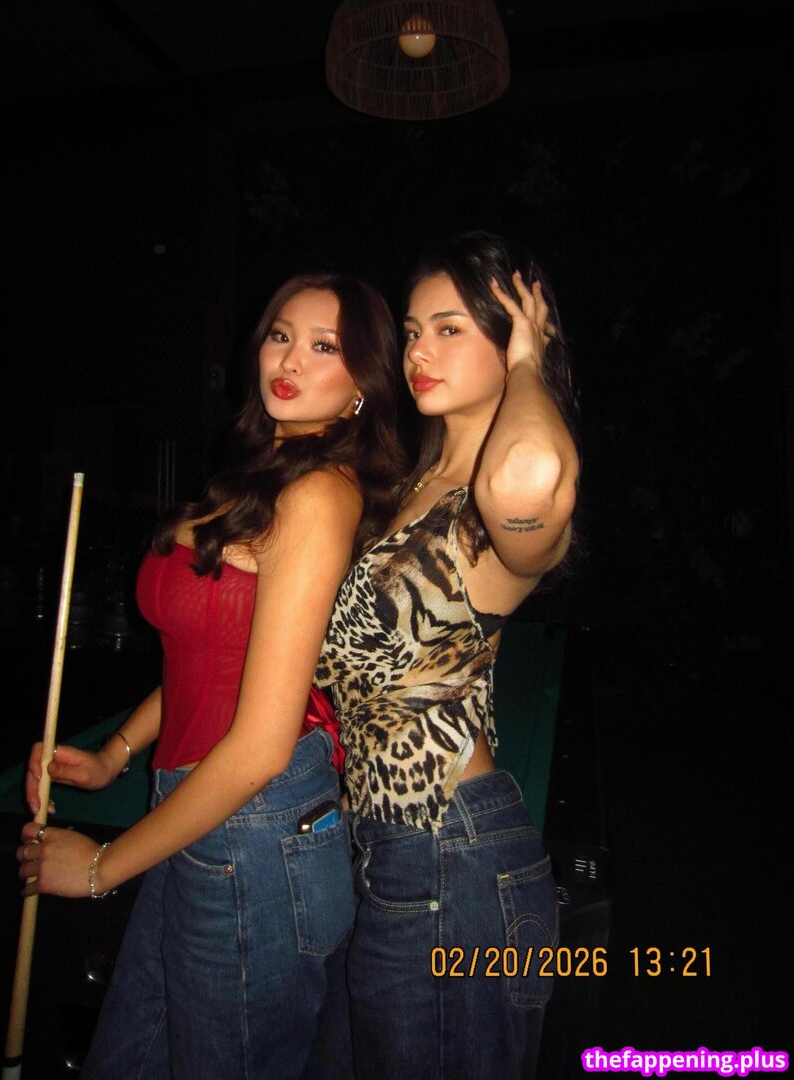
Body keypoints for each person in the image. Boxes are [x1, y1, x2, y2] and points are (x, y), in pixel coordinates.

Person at [17, 272, 406, 1079]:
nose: (288, 359)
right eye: (279, 335)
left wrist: (100, 868)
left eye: (324, 346)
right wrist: (116, 753)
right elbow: (212, 657)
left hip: (256, 828)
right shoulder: (255, 481)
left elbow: (261, 744)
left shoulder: (319, 495)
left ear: (362, 386)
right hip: (199, 811)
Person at [314, 231, 581, 1079]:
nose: (417, 350)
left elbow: (528, 473)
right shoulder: (413, 486)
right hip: (391, 847)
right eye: (411, 329)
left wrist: (530, 360)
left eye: (450, 328)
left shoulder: (491, 503)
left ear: (509, 339)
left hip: (449, 850)